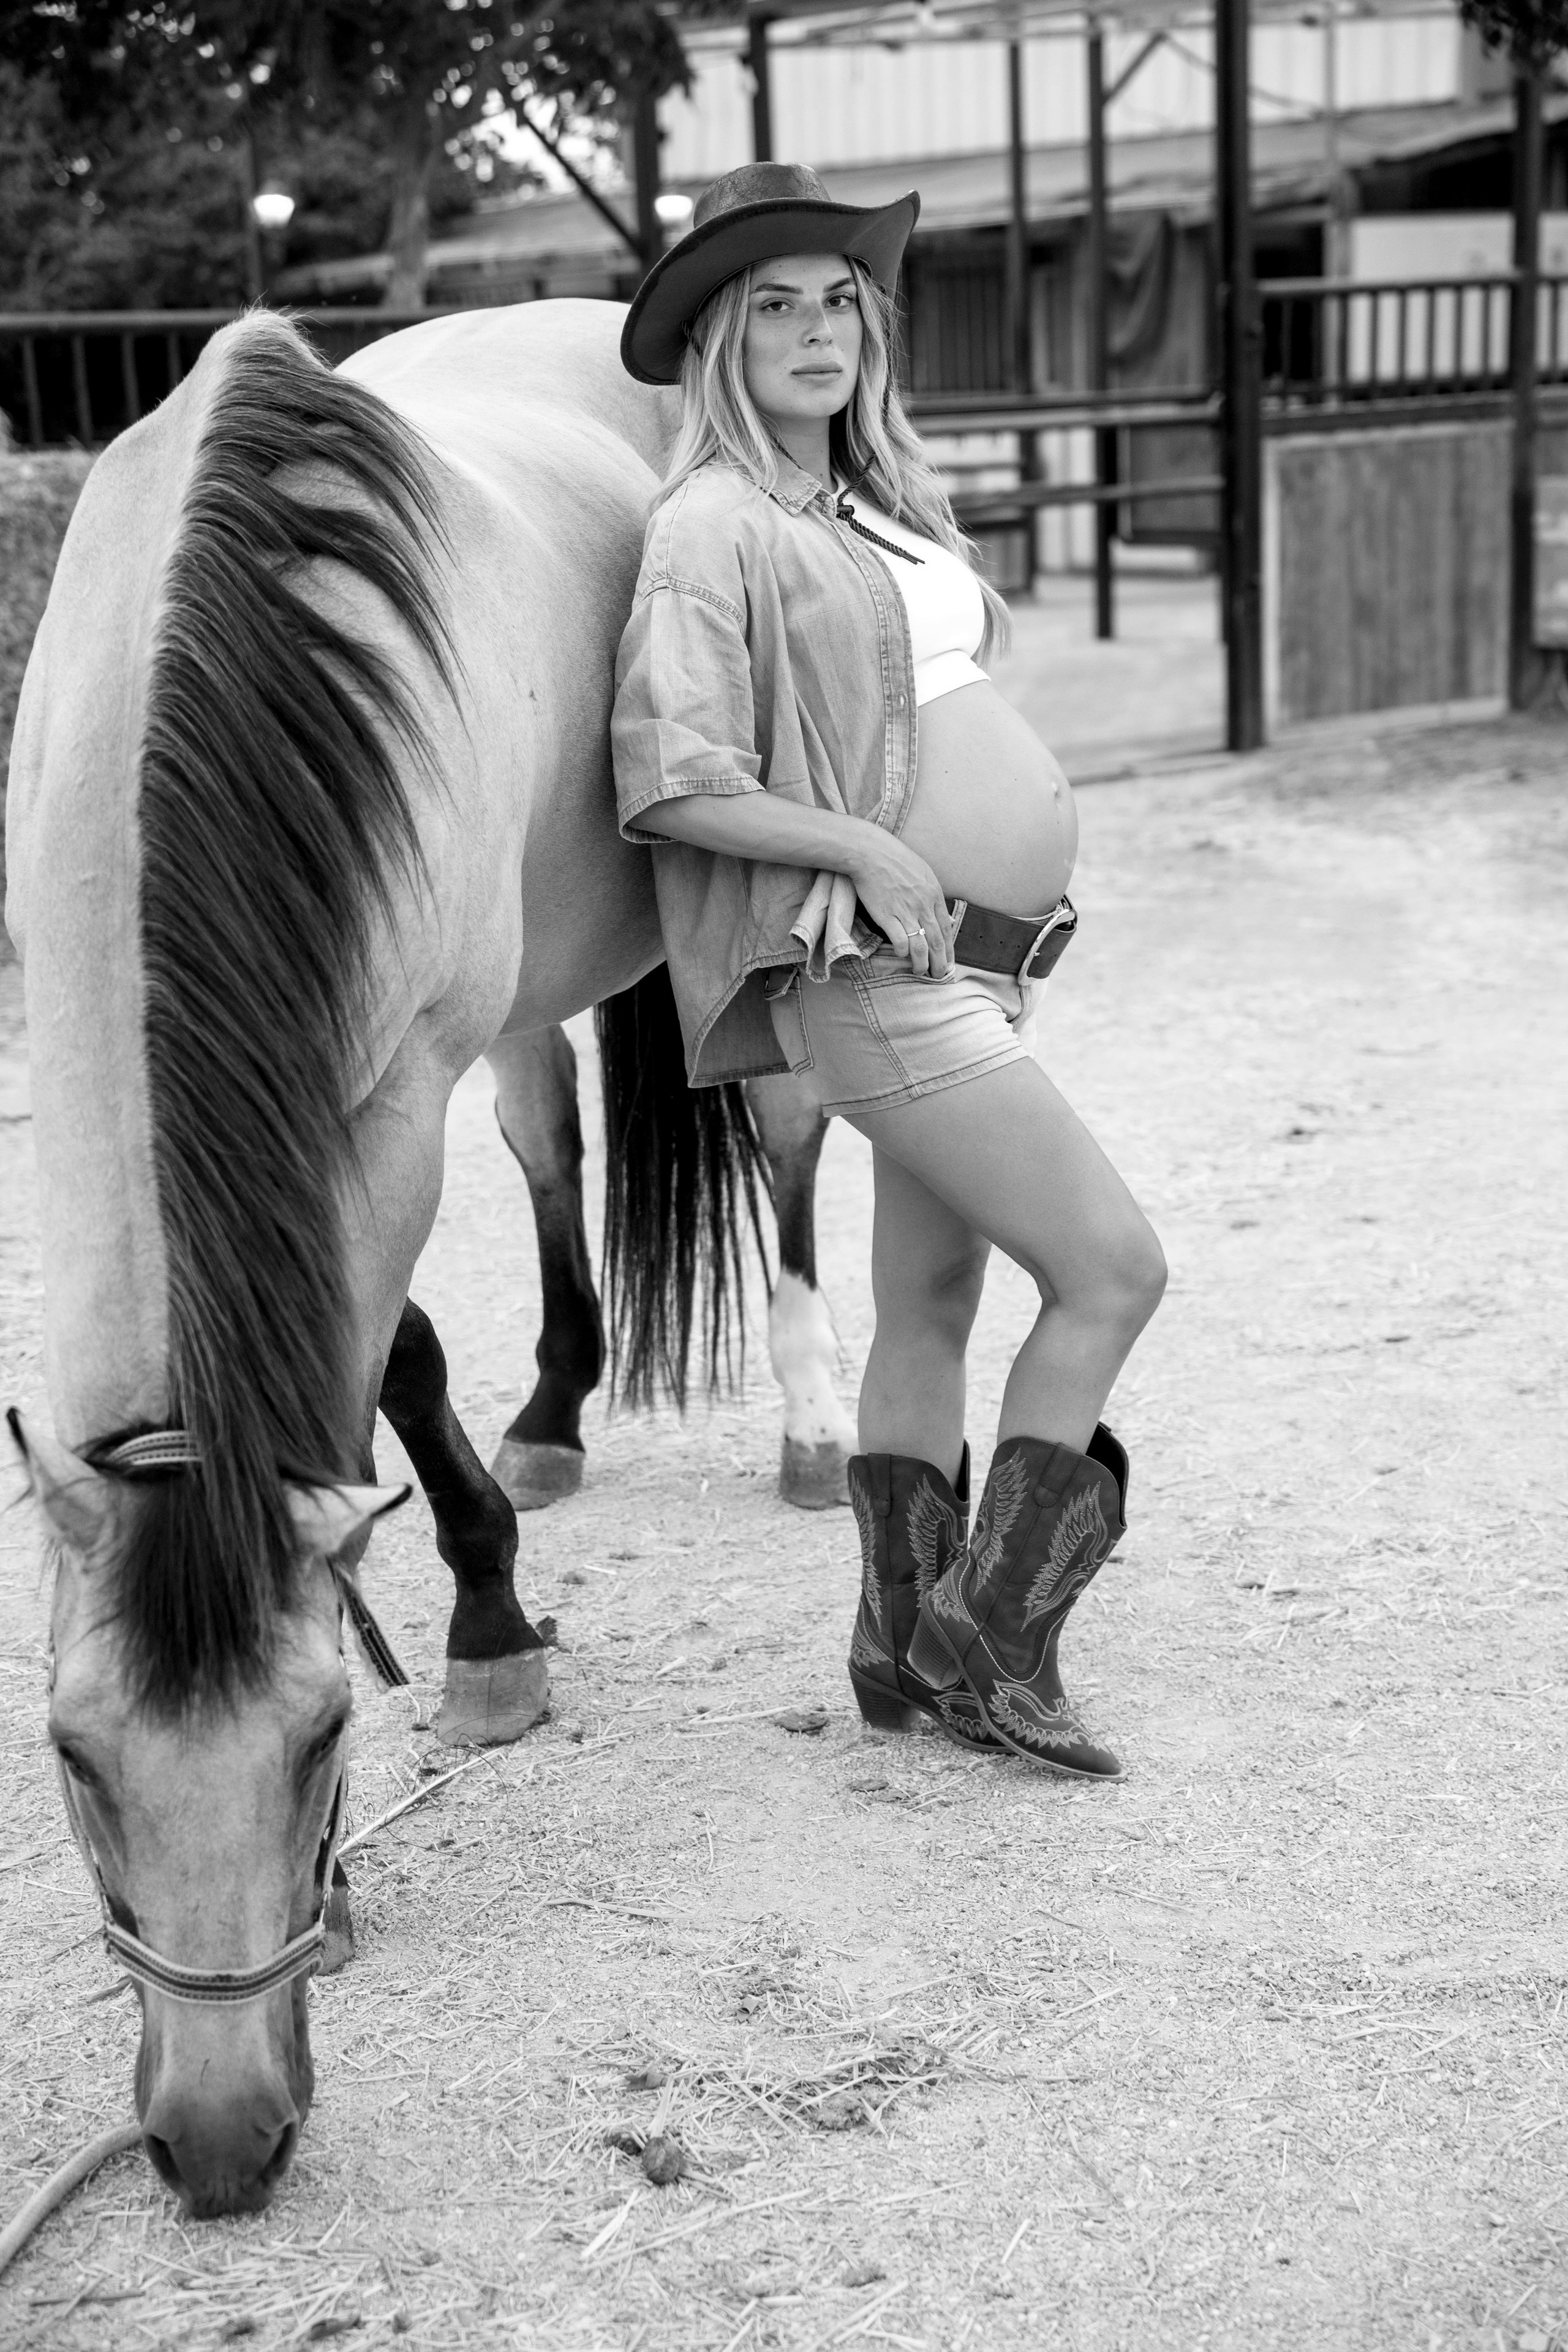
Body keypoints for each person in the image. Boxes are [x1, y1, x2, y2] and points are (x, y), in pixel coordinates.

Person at [612, 163, 1166, 1780]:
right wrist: (866, 849)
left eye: (837, 299)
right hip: (868, 969)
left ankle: (896, 1653)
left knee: (926, 1308)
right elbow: (668, 772)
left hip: (972, 970)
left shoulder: (860, 503)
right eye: (772, 306)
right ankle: (992, 1647)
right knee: (1114, 1271)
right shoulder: (709, 523)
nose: (814, 330)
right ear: (721, 342)